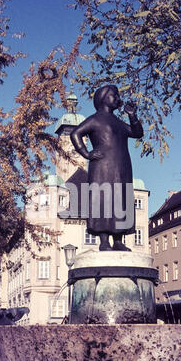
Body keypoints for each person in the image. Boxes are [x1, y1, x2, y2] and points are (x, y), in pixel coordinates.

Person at [70, 85, 144, 251]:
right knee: (103, 199)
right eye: (114, 95)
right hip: (102, 165)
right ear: (103, 98)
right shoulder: (95, 119)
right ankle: (104, 241)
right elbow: (75, 133)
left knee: (121, 199)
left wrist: (132, 116)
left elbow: (138, 133)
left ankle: (118, 240)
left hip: (122, 165)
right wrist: (86, 153)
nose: (118, 98)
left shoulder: (118, 122)